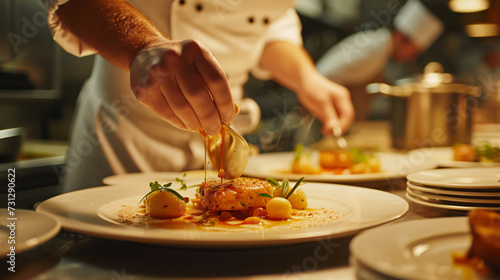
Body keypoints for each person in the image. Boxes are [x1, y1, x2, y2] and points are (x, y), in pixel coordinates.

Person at [45, 0, 355, 191]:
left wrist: (307, 79)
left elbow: (267, 21)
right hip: (127, 138)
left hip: (223, 144)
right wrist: (143, 46)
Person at [315, 0, 444, 86]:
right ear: (400, 37)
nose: (412, 57)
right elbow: (323, 75)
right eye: (414, 51)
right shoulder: (373, 48)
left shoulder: (380, 48)